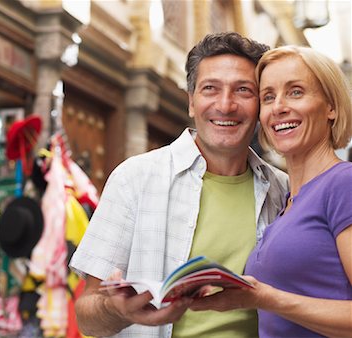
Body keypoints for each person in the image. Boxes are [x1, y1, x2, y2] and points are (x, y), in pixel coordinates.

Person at [69, 32, 288, 338]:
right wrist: (117, 310)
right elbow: (86, 317)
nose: (225, 105)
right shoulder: (135, 179)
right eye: (210, 88)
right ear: (191, 102)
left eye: (243, 90)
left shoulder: (283, 190)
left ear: (261, 106)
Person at [189, 45, 352, 338]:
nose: (278, 107)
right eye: (268, 96)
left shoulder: (343, 184)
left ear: (332, 107)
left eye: (296, 92)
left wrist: (265, 298)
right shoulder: (285, 199)